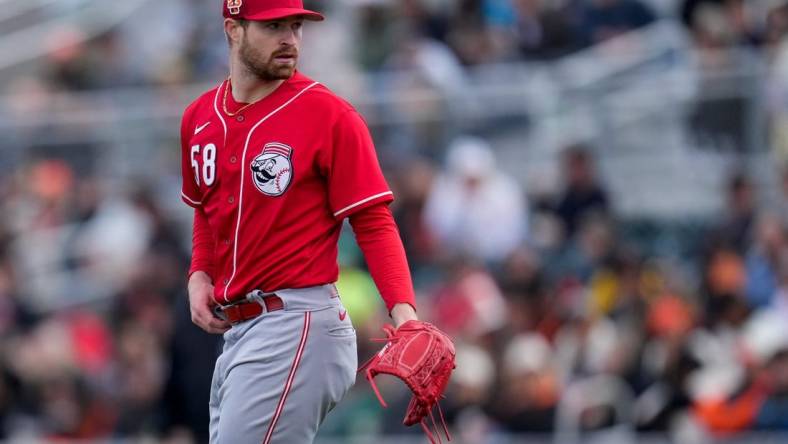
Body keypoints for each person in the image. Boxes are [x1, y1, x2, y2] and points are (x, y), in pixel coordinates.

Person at [178, 1, 419, 442]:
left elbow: (373, 222)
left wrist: (404, 315)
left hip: (297, 321)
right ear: (234, 29)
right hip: (240, 332)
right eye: (273, 26)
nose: (290, 38)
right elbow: (206, 209)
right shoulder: (199, 117)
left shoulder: (329, 114)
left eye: (295, 25)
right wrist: (200, 271)